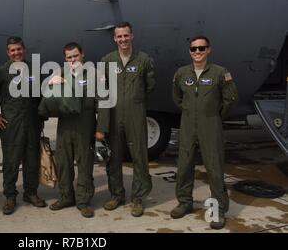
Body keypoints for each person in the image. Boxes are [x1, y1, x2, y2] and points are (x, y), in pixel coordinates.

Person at [171, 35, 238, 229]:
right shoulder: (182, 73)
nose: (198, 52)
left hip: (211, 125)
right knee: (184, 166)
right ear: (189, 51)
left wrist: (215, 115)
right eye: (194, 49)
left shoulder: (219, 72)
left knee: (215, 168)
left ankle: (218, 210)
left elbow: (231, 98)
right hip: (187, 125)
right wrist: (190, 111)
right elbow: (177, 97)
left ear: (209, 50)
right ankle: (184, 202)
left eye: (202, 48)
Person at [95, 22, 155, 217]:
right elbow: (102, 93)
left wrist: (133, 101)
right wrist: (102, 124)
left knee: (139, 157)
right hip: (113, 117)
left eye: (126, 36)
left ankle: (138, 198)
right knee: (114, 158)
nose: (123, 39)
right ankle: (117, 195)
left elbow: (149, 86)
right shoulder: (107, 61)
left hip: (135, 116)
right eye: (119, 36)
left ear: (132, 36)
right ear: (114, 39)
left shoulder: (143, 60)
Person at [0, 37, 46, 215]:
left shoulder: (34, 70)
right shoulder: (1, 71)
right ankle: (10, 196)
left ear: (24, 50)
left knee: (32, 160)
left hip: (32, 123)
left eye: (19, 49)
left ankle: (31, 193)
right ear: (8, 53)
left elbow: (41, 96)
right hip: (10, 125)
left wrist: (41, 118)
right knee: (11, 162)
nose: (16, 53)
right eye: (13, 50)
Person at [47, 42, 96, 218]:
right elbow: (46, 97)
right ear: (65, 59)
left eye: (75, 55)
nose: (73, 59)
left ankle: (83, 201)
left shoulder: (93, 74)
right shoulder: (60, 72)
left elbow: (104, 103)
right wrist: (52, 84)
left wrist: (102, 129)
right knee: (63, 163)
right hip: (65, 127)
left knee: (84, 164)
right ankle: (66, 197)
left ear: (82, 54)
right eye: (69, 57)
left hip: (85, 125)